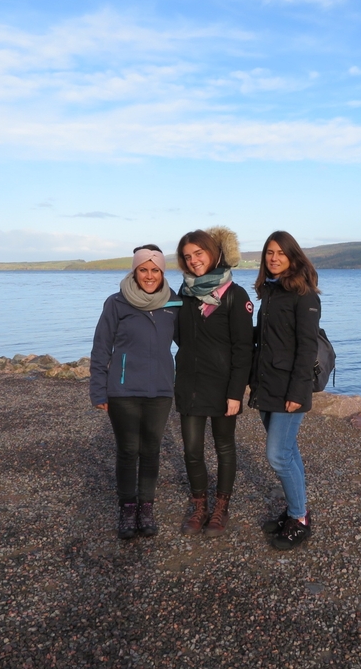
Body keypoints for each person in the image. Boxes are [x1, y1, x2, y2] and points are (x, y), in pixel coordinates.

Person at [89, 245, 181, 540]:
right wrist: (98, 390)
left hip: (161, 389)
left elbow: (193, 341)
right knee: (129, 450)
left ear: (163, 272)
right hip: (123, 389)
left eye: (155, 270)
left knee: (151, 449)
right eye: (144, 269)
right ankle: (128, 506)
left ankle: (146, 506)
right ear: (135, 271)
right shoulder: (116, 303)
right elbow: (101, 347)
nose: (149, 275)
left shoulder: (174, 303)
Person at [173, 227, 254, 537]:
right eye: (187, 256)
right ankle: (199, 504)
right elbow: (179, 336)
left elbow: (244, 349)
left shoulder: (235, 295)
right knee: (192, 449)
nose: (194, 261)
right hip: (190, 384)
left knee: (224, 447)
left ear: (213, 253)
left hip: (223, 388)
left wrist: (236, 392)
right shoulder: (184, 294)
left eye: (199, 253)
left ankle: (221, 507)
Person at [249, 230, 320, 550]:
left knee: (277, 456)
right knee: (288, 452)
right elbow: (264, 338)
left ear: (293, 256)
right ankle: (296, 511)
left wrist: (297, 393)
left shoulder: (305, 296)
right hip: (267, 383)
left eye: (280, 253)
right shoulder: (271, 292)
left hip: (289, 389)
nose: (274, 258)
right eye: (269, 253)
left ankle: (299, 518)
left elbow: (307, 349)